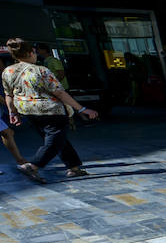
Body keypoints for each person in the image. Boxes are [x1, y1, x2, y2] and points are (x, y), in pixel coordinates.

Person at [3, 37, 98, 178]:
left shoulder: (8, 71)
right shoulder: (41, 70)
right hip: (51, 111)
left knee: (59, 140)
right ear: (30, 53)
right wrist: (82, 109)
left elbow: (8, 95)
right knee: (54, 142)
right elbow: (59, 92)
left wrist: (12, 112)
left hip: (28, 112)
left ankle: (74, 167)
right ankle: (33, 166)